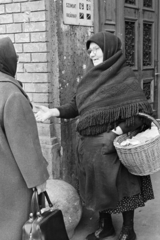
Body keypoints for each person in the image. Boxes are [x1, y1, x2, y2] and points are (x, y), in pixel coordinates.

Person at [35, 31, 154, 240]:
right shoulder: (90, 78)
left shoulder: (125, 77)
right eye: (90, 51)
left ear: (108, 49)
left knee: (124, 187)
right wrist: (53, 112)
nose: (92, 54)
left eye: (96, 49)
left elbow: (140, 114)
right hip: (90, 149)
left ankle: (128, 229)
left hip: (114, 145)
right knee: (97, 187)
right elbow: (76, 105)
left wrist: (116, 133)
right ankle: (105, 225)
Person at [0, 37, 49, 240]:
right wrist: (39, 180)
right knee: (18, 227)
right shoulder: (11, 94)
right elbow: (25, 144)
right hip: (13, 179)